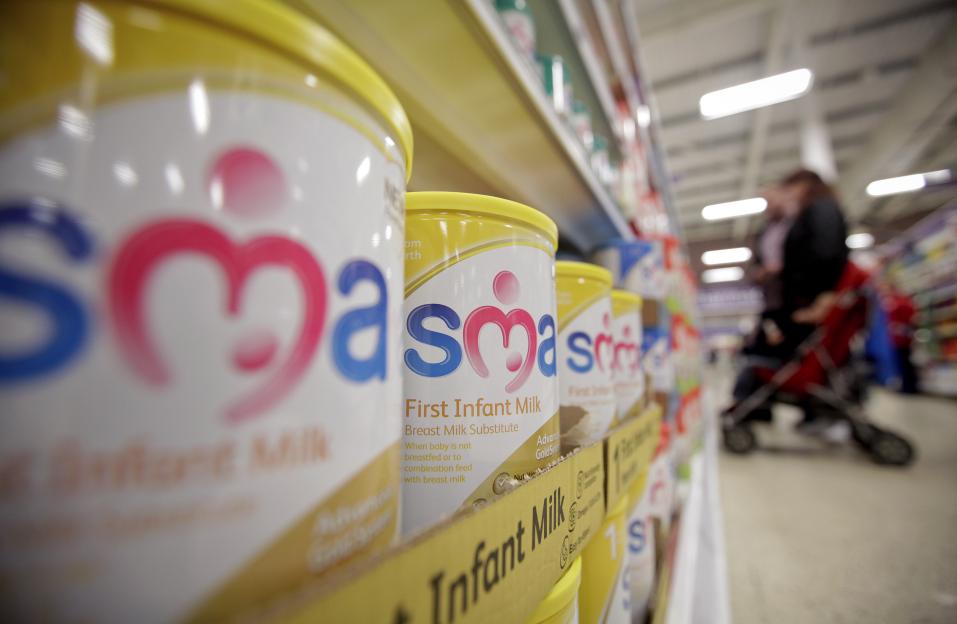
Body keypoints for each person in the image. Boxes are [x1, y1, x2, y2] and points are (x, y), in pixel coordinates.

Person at [729, 169, 849, 427]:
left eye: (787, 189)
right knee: (772, 354)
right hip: (789, 301)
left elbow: (827, 253)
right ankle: (755, 406)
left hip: (803, 301)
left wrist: (824, 296)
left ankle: (758, 406)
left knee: (783, 355)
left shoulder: (818, 210)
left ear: (805, 185)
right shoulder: (786, 223)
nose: (786, 196)